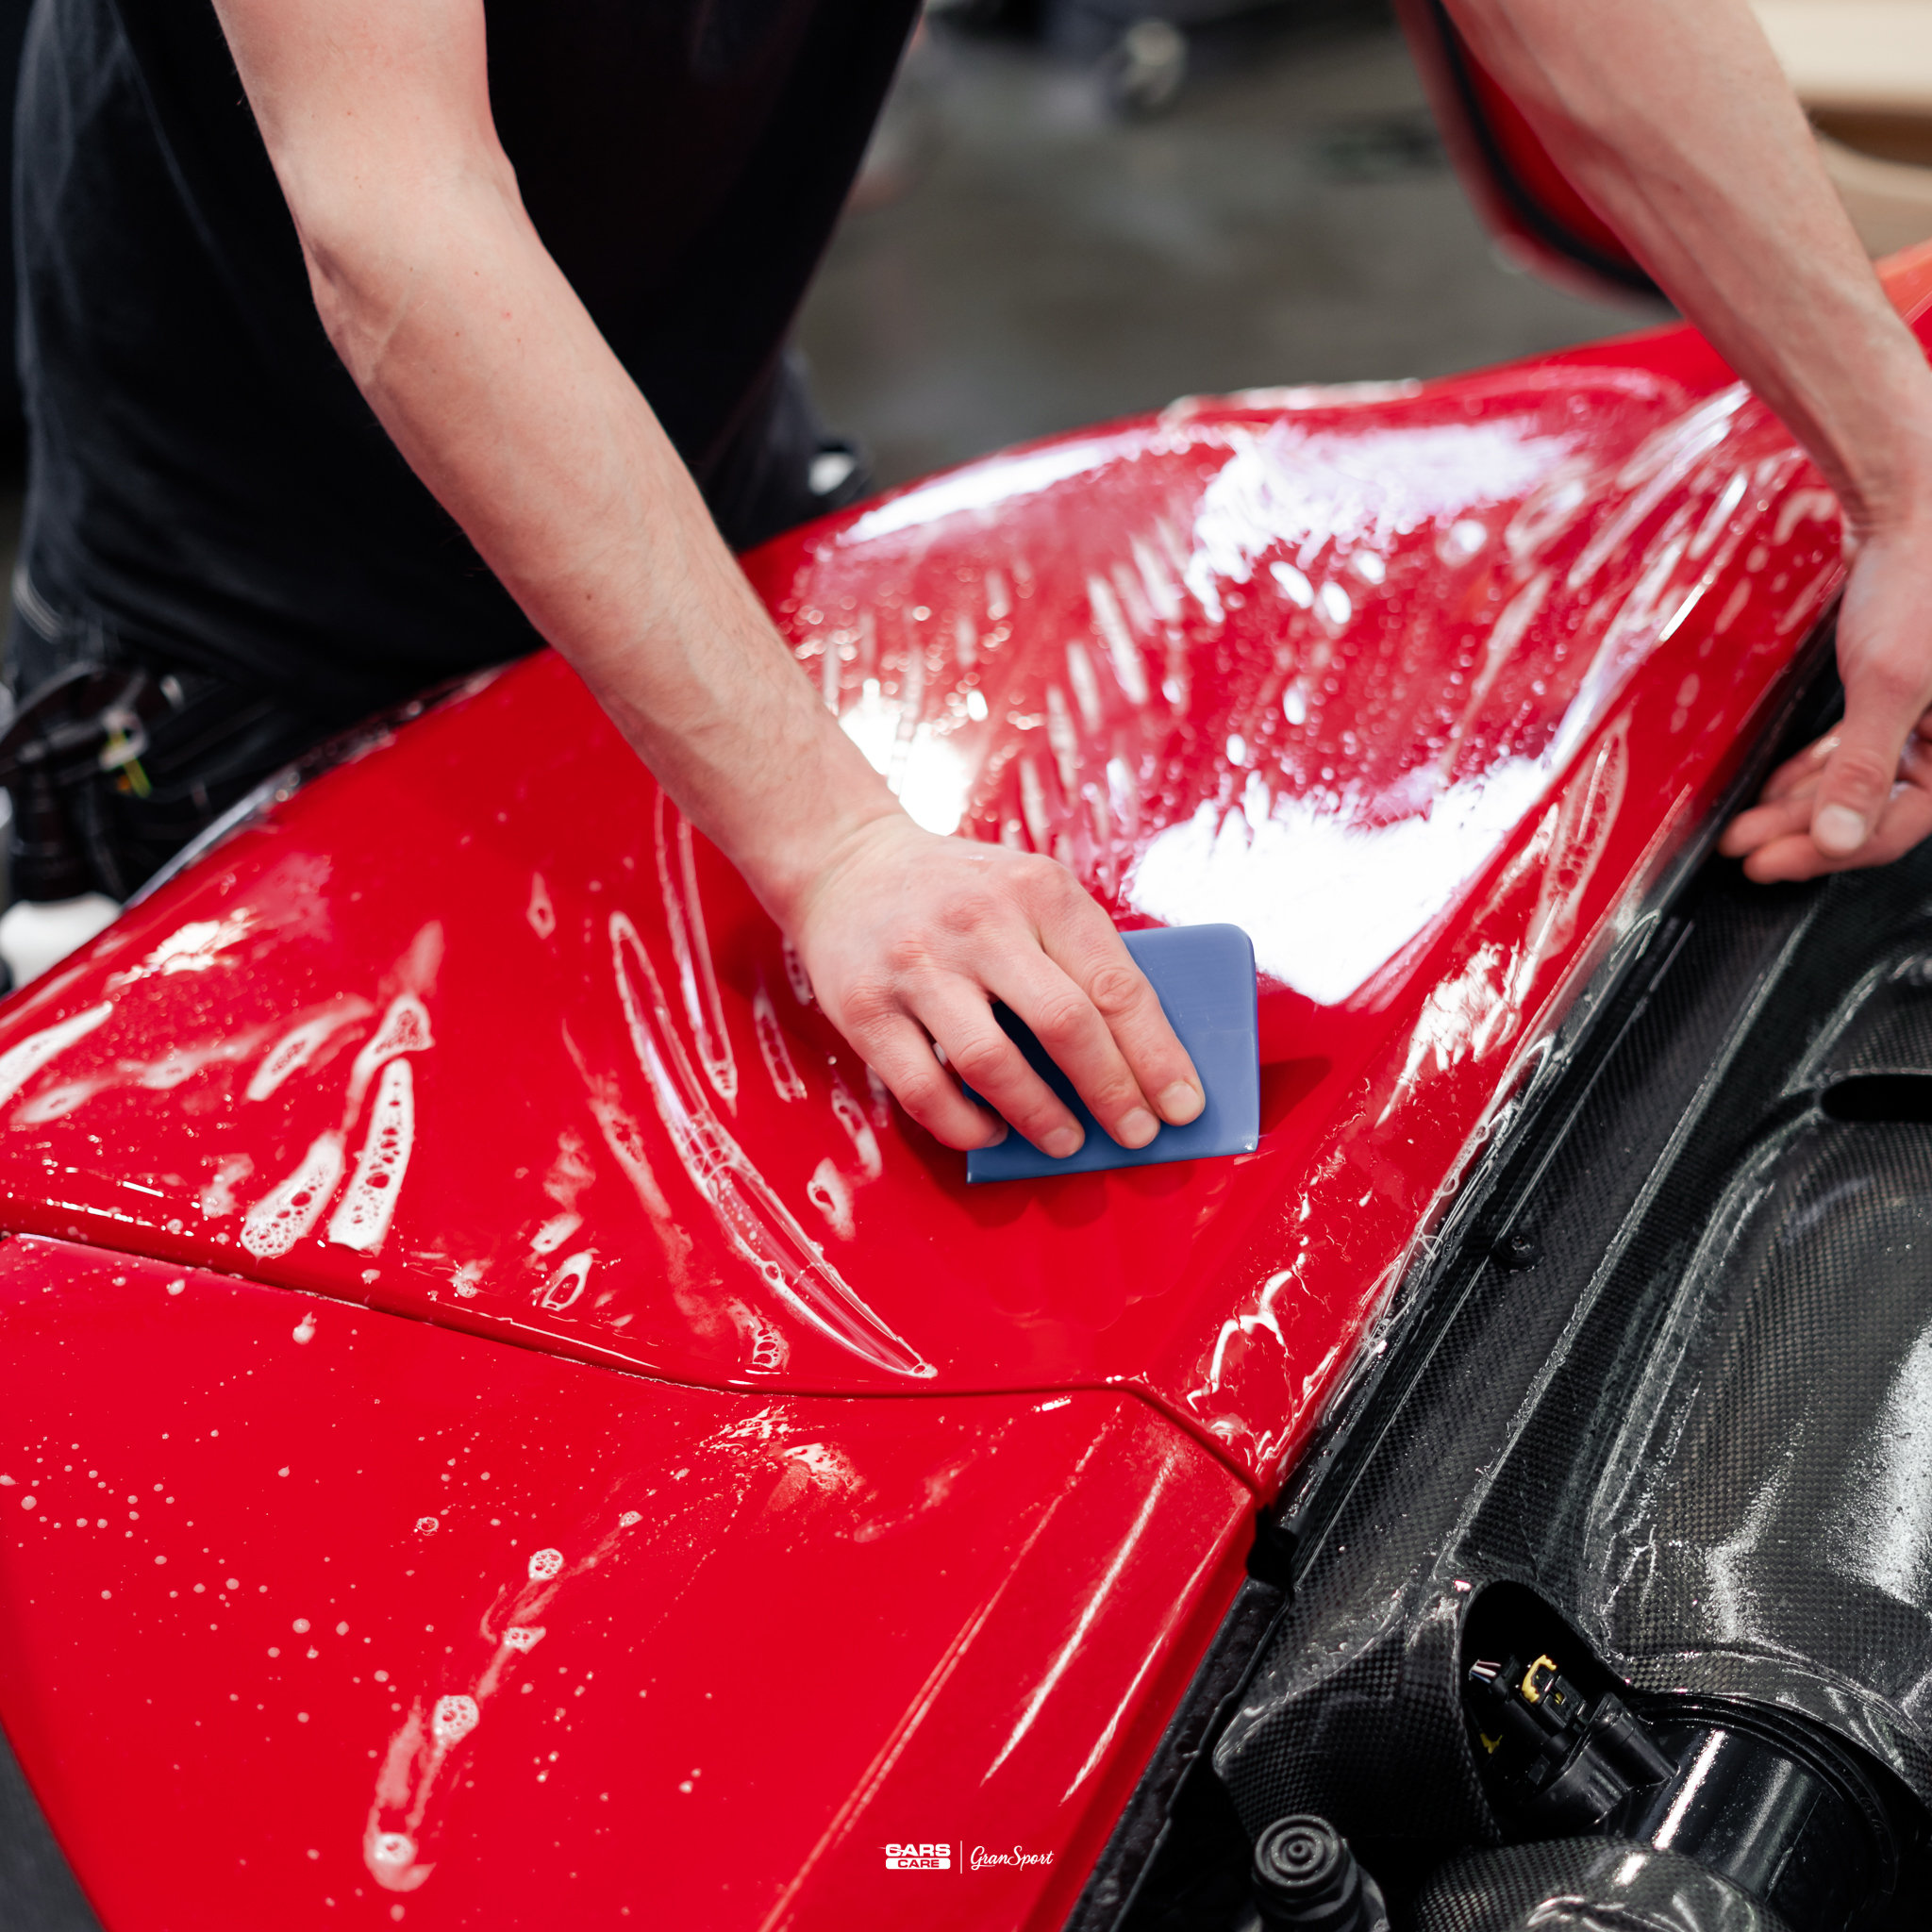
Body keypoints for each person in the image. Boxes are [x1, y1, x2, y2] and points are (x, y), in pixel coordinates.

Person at [7, 0, 1931, 1166]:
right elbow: (395, 213)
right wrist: (836, 845)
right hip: (255, 645)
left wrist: (1906, 478)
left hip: (706, 470)